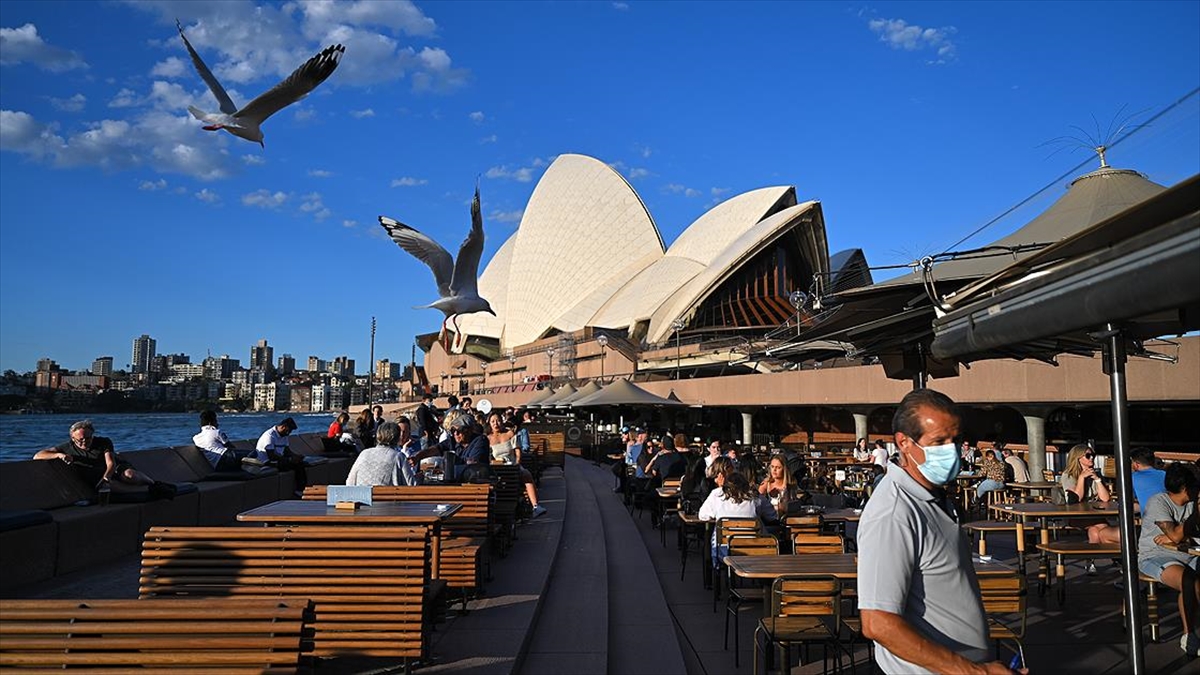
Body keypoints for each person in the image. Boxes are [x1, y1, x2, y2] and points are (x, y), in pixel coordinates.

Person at [858, 388, 1020, 675]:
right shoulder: (893, 513)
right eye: (939, 442)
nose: (951, 450)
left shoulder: (933, 496)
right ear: (904, 443)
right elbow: (878, 623)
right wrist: (976, 673)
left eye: (955, 440)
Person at [1137, 462, 1200, 656]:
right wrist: (1184, 528)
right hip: (1156, 555)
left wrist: (1179, 536)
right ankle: (1189, 635)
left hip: (1190, 554)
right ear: (1186, 488)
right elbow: (1175, 536)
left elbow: (1176, 536)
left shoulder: (1193, 502)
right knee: (1189, 581)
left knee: (1192, 580)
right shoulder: (1159, 502)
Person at [35, 419, 176, 500]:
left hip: (113, 470)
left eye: (88, 438)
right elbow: (38, 455)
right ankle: (150, 490)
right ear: (73, 438)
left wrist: (106, 477)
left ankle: (155, 484)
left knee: (129, 475)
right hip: (96, 477)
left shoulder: (103, 442)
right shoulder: (66, 447)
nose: (84, 442)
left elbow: (111, 463)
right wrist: (59, 455)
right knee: (109, 487)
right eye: (80, 440)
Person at [697, 458, 771, 565]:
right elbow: (772, 516)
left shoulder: (717, 494)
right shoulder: (756, 497)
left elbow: (702, 515)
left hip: (726, 551)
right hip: (755, 549)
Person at [486, 411, 547, 517]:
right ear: (489, 424)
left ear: (502, 421)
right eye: (493, 421)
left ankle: (535, 506)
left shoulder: (510, 434)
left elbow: (518, 452)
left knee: (526, 475)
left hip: (512, 464)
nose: (496, 423)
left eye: (498, 421)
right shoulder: (488, 438)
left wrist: (517, 463)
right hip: (497, 467)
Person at [255, 417, 307, 496]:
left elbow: (287, 451)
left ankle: (302, 488)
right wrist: (289, 460)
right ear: (283, 427)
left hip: (279, 459)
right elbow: (271, 456)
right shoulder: (269, 436)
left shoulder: (284, 435)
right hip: (267, 462)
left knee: (301, 463)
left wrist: (295, 456)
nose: (289, 433)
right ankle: (299, 490)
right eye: (289, 430)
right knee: (297, 466)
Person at [346, 421, 407, 487]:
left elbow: (350, 482)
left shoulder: (363, 454)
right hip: (388, 493)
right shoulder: (398, 456)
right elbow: (411, 483)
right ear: (397, 437)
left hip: (362, 493)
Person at [758, 454, 801, 522]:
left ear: (784, 469)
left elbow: (795, 503)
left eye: (778, 467)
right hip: (770, 520)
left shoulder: (791, 483)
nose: (774, 470)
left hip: (788, 518)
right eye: (772, 467)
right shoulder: (766, 483)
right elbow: (758, 502)